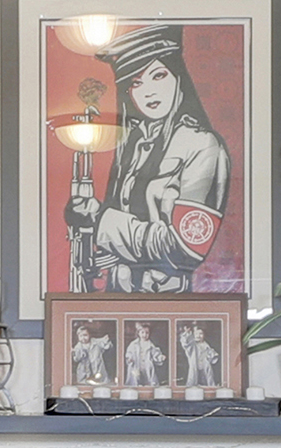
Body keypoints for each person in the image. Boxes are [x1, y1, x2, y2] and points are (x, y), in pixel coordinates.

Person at [71, 23, 240, 295]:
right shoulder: (134, 145)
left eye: (158, 75)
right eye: (136, 83)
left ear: (178, 78)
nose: (148, 91)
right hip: (117, 297)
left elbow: (185, 248)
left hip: (169, 301)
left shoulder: (202, 145)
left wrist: (101, 218)